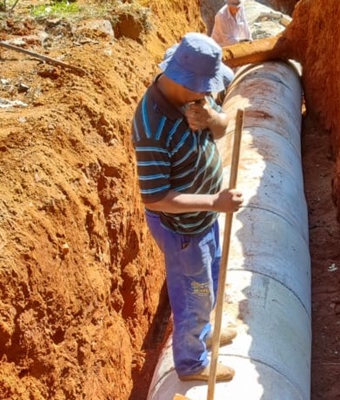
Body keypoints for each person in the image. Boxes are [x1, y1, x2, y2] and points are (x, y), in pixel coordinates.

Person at [131, 33, 243, 382]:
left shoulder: (198, 99)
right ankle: (192, 363)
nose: (208, 93)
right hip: (182, 228)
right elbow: (155, 197)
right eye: (204, 88)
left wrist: (210, 118)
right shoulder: (152, 127)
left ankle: (206, 331)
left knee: (209, 281)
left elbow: (224, 128)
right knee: (193, 295)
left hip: (204, 217)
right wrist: (215, 201)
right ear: (183, 81)